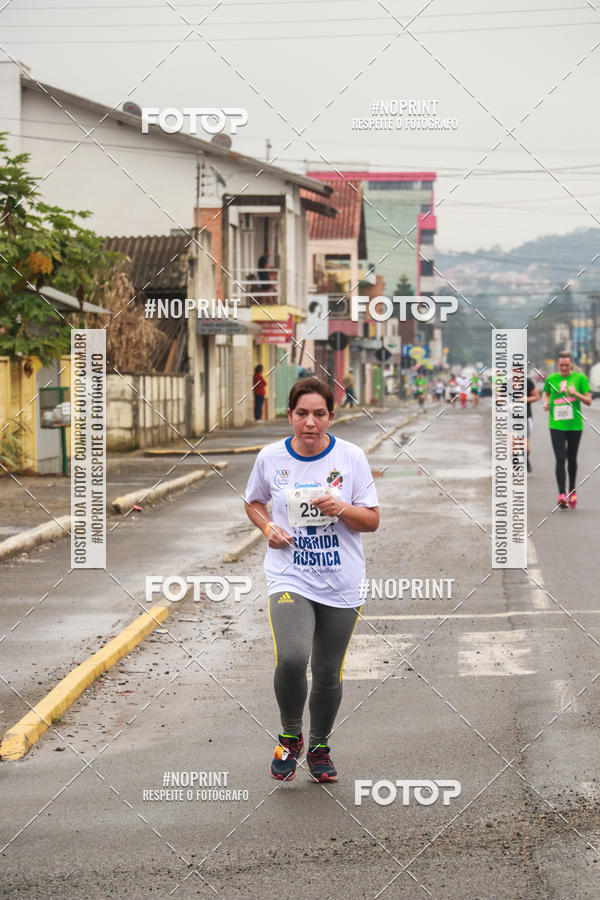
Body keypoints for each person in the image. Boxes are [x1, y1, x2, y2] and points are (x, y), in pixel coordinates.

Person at [244, 377, 379, 783]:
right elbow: (253, 502)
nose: (310, 422)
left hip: (341, 579)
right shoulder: (270, 458)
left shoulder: (351, 457)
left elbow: (371, 520)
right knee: (291, 658)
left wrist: (341, 508)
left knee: (326, 672)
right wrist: (267, 528)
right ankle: (290, 736)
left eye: (319, 414)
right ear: (289, 415)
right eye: (301, 413)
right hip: (290, 575)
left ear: (331, 417)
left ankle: (319, 746)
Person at [543, 351, 591, 508]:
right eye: (561, 365)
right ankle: (561, 494)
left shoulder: (580, 378)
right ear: (558, 364)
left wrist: (576, 393)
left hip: (574, 425)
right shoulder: (551, 379)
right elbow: (546, 393)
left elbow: (589, 400)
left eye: (566, 365)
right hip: (556, 424)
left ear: (571, 364)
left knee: (571, 459)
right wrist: (545, 403)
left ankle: (572, 490)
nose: (563, 368)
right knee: (560, 458)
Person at [526, 375, 540, 473]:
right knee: (513, 444)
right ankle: (515, 469)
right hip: (510, 418)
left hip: (525, 417)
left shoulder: (528, 382)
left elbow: (536, 396)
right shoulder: (507, 383)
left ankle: (526, 459)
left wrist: (526, 399)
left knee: (525, 448)